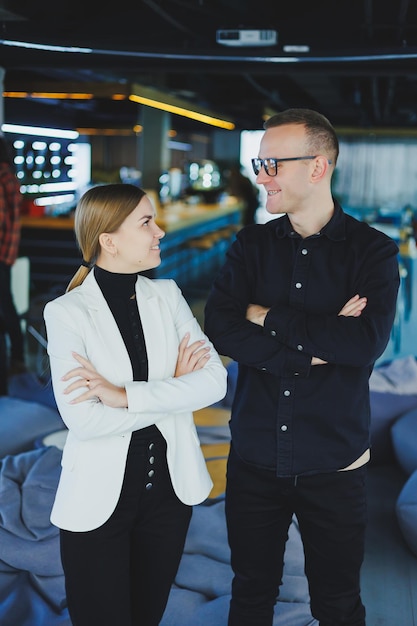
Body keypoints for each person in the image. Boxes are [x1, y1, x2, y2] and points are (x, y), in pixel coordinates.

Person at [204, 108, 400, 626]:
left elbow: (362, 343)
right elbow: (221, 326)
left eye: (273, 163)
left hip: (334, 461)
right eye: (259, 161)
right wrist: (309, 350)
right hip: (253, 456)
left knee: (336, 604)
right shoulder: (251, 245)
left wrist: (264, 315)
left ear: (317, 167)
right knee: (249, 595)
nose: (260, 175)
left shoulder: (373, 253)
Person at [43, 183, 227, 626]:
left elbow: (215, 382)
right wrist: (177, 389)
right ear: (109, 240)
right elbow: (84, 420)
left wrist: (123, 396)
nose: (159, 231)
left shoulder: (167, 296)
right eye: (146, 222)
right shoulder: (66, 313)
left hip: (169, 498)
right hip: (96, 503)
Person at [0, 135, 26, 382]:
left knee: (6, 306)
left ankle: (17, 357)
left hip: (1, 254)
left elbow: (14, 220)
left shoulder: (5, 175)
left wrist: (8, 255)